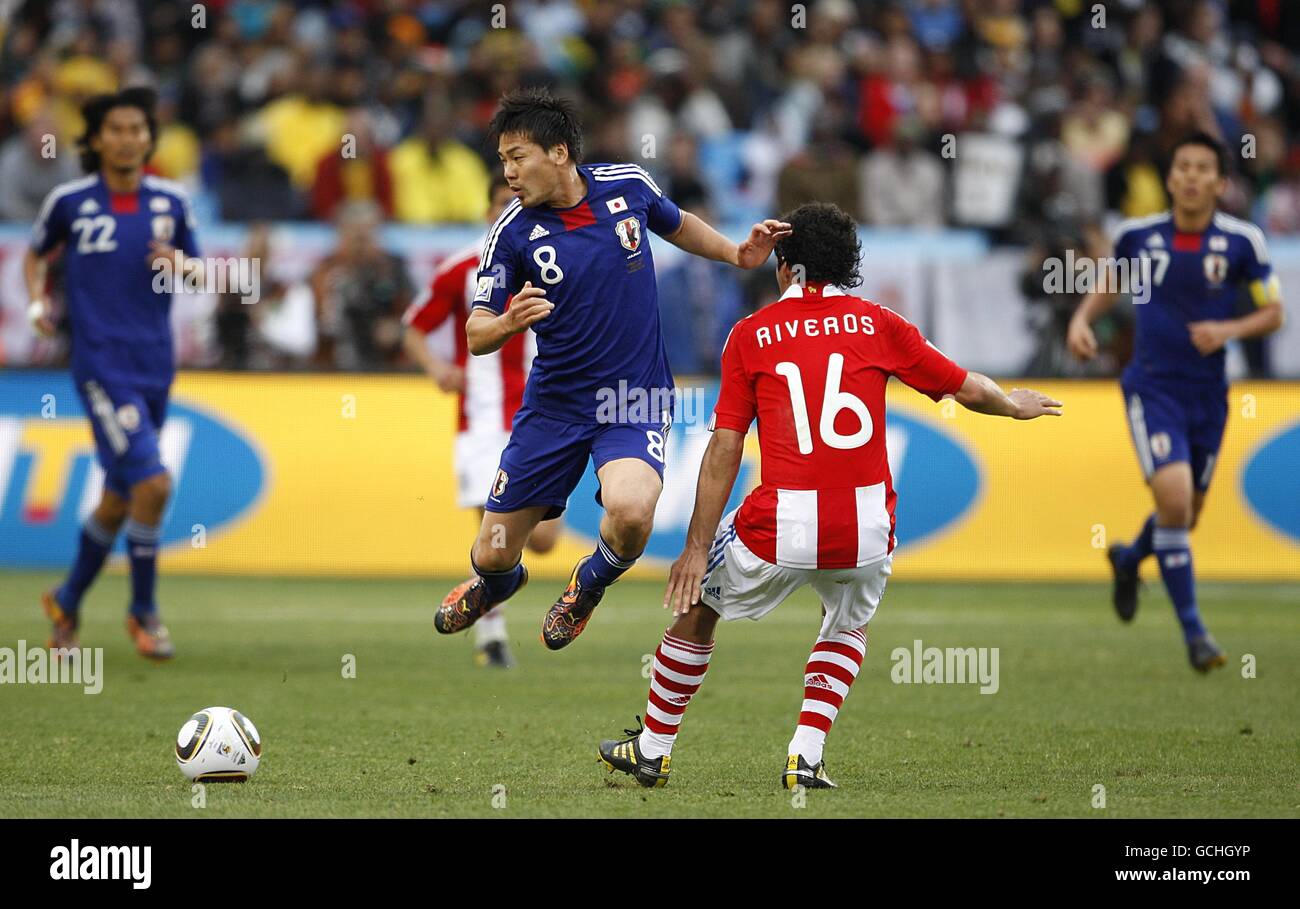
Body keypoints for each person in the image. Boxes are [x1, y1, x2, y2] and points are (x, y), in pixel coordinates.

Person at [596, 202, 1062, 790]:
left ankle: (654, 748)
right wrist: (1013, 404)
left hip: (780, 523)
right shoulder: (881, 324)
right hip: (868, 527)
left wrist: (695, 546)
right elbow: (966, 387)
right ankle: (805, 756)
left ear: (785, 265)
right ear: (846, 265)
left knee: (698, 609)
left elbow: (724, 449)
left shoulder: (751, 334)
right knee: (844, 623)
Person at [433, 87, 791, 651]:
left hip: (634, 398)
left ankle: (588, 584)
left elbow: (678, 224)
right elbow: (476, 331)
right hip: (553, 406)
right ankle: (496, 583)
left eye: (517, 157)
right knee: (494, 550)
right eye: (502, 161)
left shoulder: (628, 187)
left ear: (557, 152)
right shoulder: (510, 233)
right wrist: (506, 324)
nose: (509, 173)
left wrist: (735, 254)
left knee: (630, 513)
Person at [1067, 132, 1285, 672]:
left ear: (1220, 182)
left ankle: (1129, 559)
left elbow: (1274, 313)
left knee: (1184, 514)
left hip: (1209, 394)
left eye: (1201, 168)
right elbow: (1110, 282)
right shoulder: (1138, 235)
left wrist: (1228, 327)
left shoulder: (1243, 241)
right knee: (1174, 499)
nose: (1190, 176)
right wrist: (1080, 320)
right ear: (1169, 179)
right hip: (1153, 386)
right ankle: (1196, 635)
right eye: (1181, 166)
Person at [26, 87, 204, 660]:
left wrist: (182, 267)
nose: (129, 139)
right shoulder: (70, 202)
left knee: (117, 498)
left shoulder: (172, 201)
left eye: (138, 129)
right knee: (153, 484)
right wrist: (37, 303)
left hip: (155, 364)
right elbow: (35, 254)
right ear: (97, 139)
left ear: (150, 138)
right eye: (117, 129)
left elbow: (201, 276)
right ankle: (143, 612)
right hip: (101, 364)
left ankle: (67, 601)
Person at [404, 172, 562, 668]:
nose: (507, 213)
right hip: (480, 420)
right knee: (491, 533)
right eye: (499, 205)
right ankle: (491, 636)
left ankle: (501, 585)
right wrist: (437, 368)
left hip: (540, 414)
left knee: (541, 540)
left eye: (514, 202)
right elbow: (414, 326)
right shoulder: (463, 268)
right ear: (487, 211)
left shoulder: (551, 256)